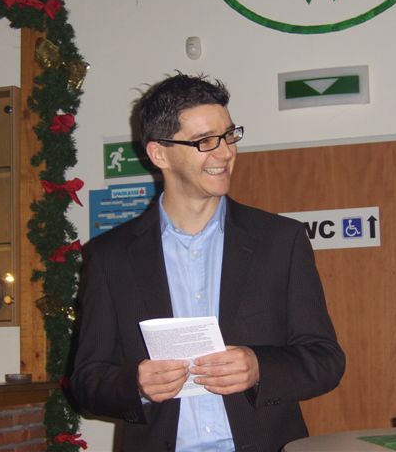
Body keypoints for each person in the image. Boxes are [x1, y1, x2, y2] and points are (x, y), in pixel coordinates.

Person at [71, 72, 346, 452]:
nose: (225, 152)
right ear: (159, 154)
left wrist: (259, 367)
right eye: (205, 141)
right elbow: (86, 381)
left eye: (229, 136)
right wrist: (136, 385)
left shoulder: (281, 241)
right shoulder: (110, 256)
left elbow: (326, 360)